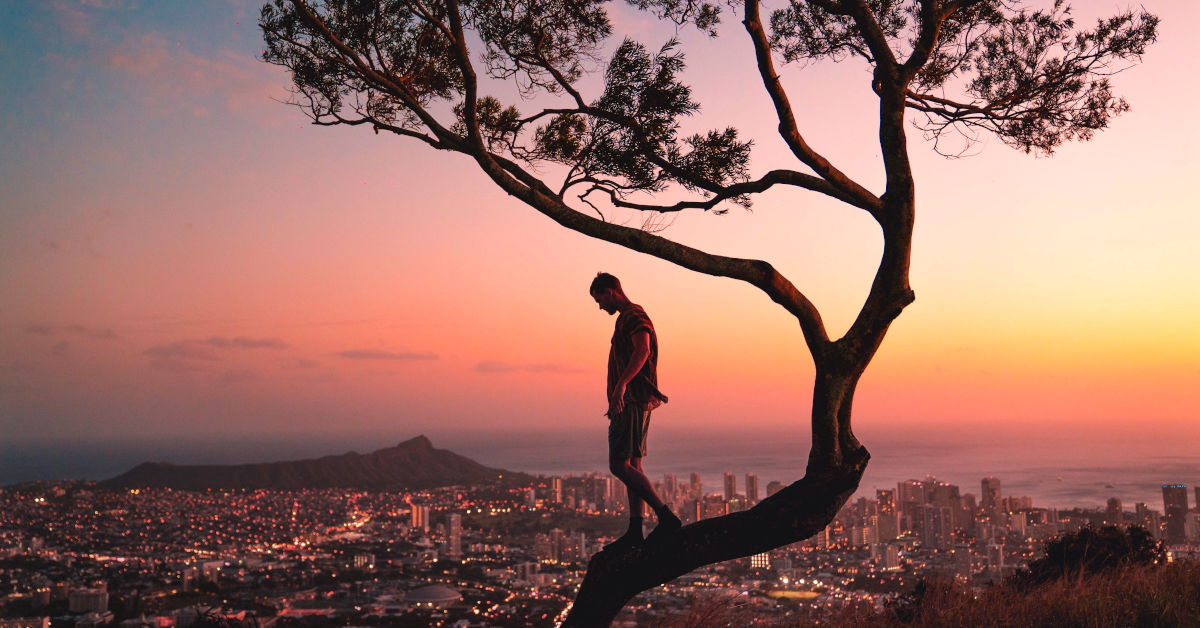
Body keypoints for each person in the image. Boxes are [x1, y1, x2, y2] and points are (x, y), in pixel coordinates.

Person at [590, 272, 681, 551]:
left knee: (618, 465)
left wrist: (621, 385)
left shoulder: (632, 315)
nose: (600, 306)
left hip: (630, 401)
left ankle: (665, 517)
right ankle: (635, 530)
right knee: (634, 466)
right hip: (635, 400)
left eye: (599, 299)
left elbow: (642, 349)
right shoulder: (628, 316)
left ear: (611, 291)